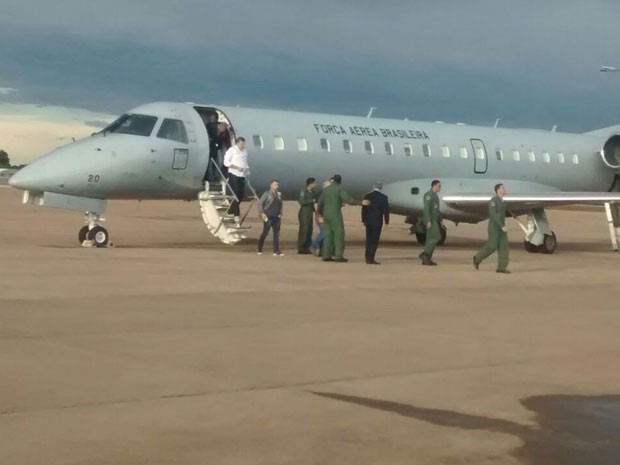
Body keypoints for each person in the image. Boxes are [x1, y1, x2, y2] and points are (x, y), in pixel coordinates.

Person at [317, 174, 358, 262]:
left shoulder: (326, 190)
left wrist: (321, 213)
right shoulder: (339, 189)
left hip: (326, 214)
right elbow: (349, 200)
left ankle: (326, 255)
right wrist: (360, 202)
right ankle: (338, 256)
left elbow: (320, 203)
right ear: (340, 181)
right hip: (335, 214)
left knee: (327, 235)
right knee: (338, 235)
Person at [473, 183, 510, 273]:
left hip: (502, 227)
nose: (504, 189)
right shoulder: (493, 201)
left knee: (503, 246)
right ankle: (477, 258)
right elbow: (493, 215)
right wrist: (502, 226)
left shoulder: (503, 202)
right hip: (495, 227)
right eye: (502, 188)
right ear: (498, 190)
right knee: (492, 245)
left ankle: (501, 267)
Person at [361, 182, 390, 265]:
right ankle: (371, 258)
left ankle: (367, 257)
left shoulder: (367, 196)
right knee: (374, 240)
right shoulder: (384, 198)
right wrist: (386, 222)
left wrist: (363, 219)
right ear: (381, 188)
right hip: (377, 222)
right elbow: (386, 211)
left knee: (368, 239)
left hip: (368, 221)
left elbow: (364, 209)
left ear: (374, 187)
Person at [223, 137, 249, 224]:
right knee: (236, 194)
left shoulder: (245, 151)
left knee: (241, 195)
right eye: (241, 144)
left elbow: (245, 162)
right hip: (233, 174)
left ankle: (230, 210)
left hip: (242, 175)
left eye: (244, 144)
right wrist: (236, 167)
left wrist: (247, 169)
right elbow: (226, 162)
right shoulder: (232, 150)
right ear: (237, 143)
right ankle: (236, 214)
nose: (243, 146)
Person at [257, 180, 284, 256]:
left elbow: (281, 204)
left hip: (276, 216)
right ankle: (260, 248)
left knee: (276, 234)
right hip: (268, 216)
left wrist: (281, 213)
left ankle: (276, 250)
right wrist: (262, 213)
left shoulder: (279, 194)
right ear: (271, 185)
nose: (277, 186)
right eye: (275, 184)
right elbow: (260, 203)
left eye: (277, 185)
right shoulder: (266, 194)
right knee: (265, 233)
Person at [420, 180, 442, 266]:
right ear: (434, 186)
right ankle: (425, 254)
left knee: (429, 239)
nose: (440, 188)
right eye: (439, 186)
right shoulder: (429, 195)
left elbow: (436, 209)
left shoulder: (435, 196)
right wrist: (428, 220)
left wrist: (440, 218)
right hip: (431, 220)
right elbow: (426, 209)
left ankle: (427, 258)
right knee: (436, 237)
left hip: (434, 220)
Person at [309, 179, 332, 256]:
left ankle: (320, 250)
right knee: (324, 231)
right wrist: (319, 215)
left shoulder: (327, 194)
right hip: (320, 215)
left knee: (325, 232)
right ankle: (313, 246)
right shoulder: (320, 194)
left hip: (326, 215)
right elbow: (316, 205)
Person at [297, 177, 317, 254]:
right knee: (304, 230)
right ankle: (301, 247)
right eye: (314, 183)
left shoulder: (312, 191)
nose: (315, 184)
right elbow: (301, 201)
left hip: (309, 213)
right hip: (304, 213)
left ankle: (307, 247)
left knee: (309, 230)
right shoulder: (303, 190)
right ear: (310, 184)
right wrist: (311, 201)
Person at [203, 112, 219, 183]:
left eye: (212, 119)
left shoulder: (210, 126)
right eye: (211, 119)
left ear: (216, 119)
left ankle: (212, 177)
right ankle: (211, 177)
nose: (211, 120)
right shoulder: (209, 126)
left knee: (213, 164)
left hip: (213, 148)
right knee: (211, 164)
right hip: (212, 148)